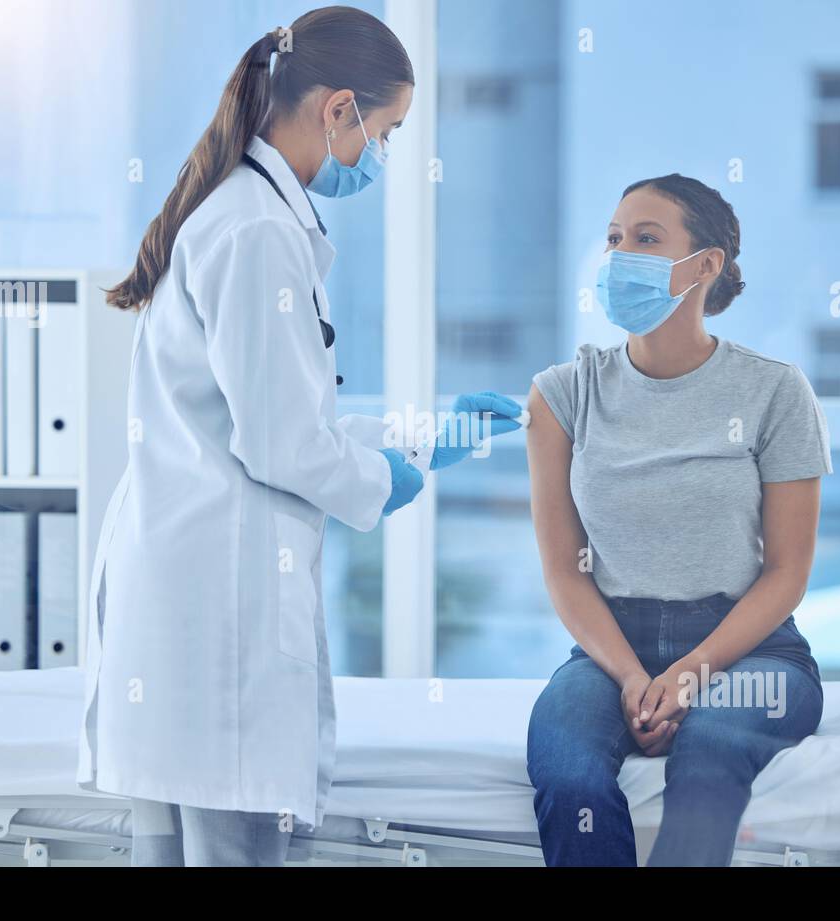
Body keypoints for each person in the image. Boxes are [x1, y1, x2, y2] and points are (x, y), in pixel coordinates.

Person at [76, 5, 521, 867]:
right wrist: (382, 481)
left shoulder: (248, 215)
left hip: (187, 587)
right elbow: (282, 444)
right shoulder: (257, 231)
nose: (379, 156)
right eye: (384, 133)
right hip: (212, 608)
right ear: (338, 108)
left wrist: (428, 438)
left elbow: (282, 415)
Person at [524, 173, 832, 866]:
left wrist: (693, 670)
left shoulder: (775, 392)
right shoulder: (561, 396)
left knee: (711, 751)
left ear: (706, 265)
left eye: (646, 238)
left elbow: (787, 572)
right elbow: (564, 574)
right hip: (610, 649)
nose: (618, 255)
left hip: (752, 652)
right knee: (566, 768)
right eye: (613, 239)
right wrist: (634, 677)